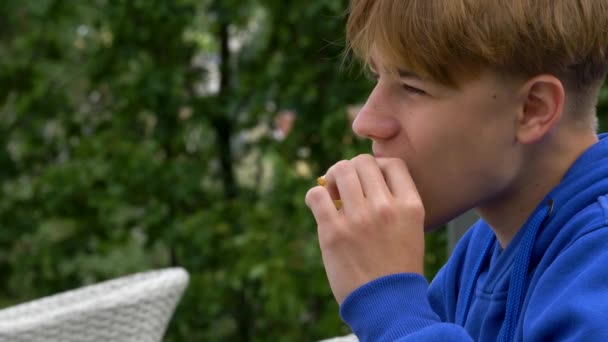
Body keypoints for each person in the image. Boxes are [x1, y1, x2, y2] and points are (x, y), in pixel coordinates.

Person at [305, 0, 608, 341]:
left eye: (412, 88)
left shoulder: (599, 268)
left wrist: (389, 303)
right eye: (377, 76)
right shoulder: (482, 249)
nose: (367, 122)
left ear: (531, 109)